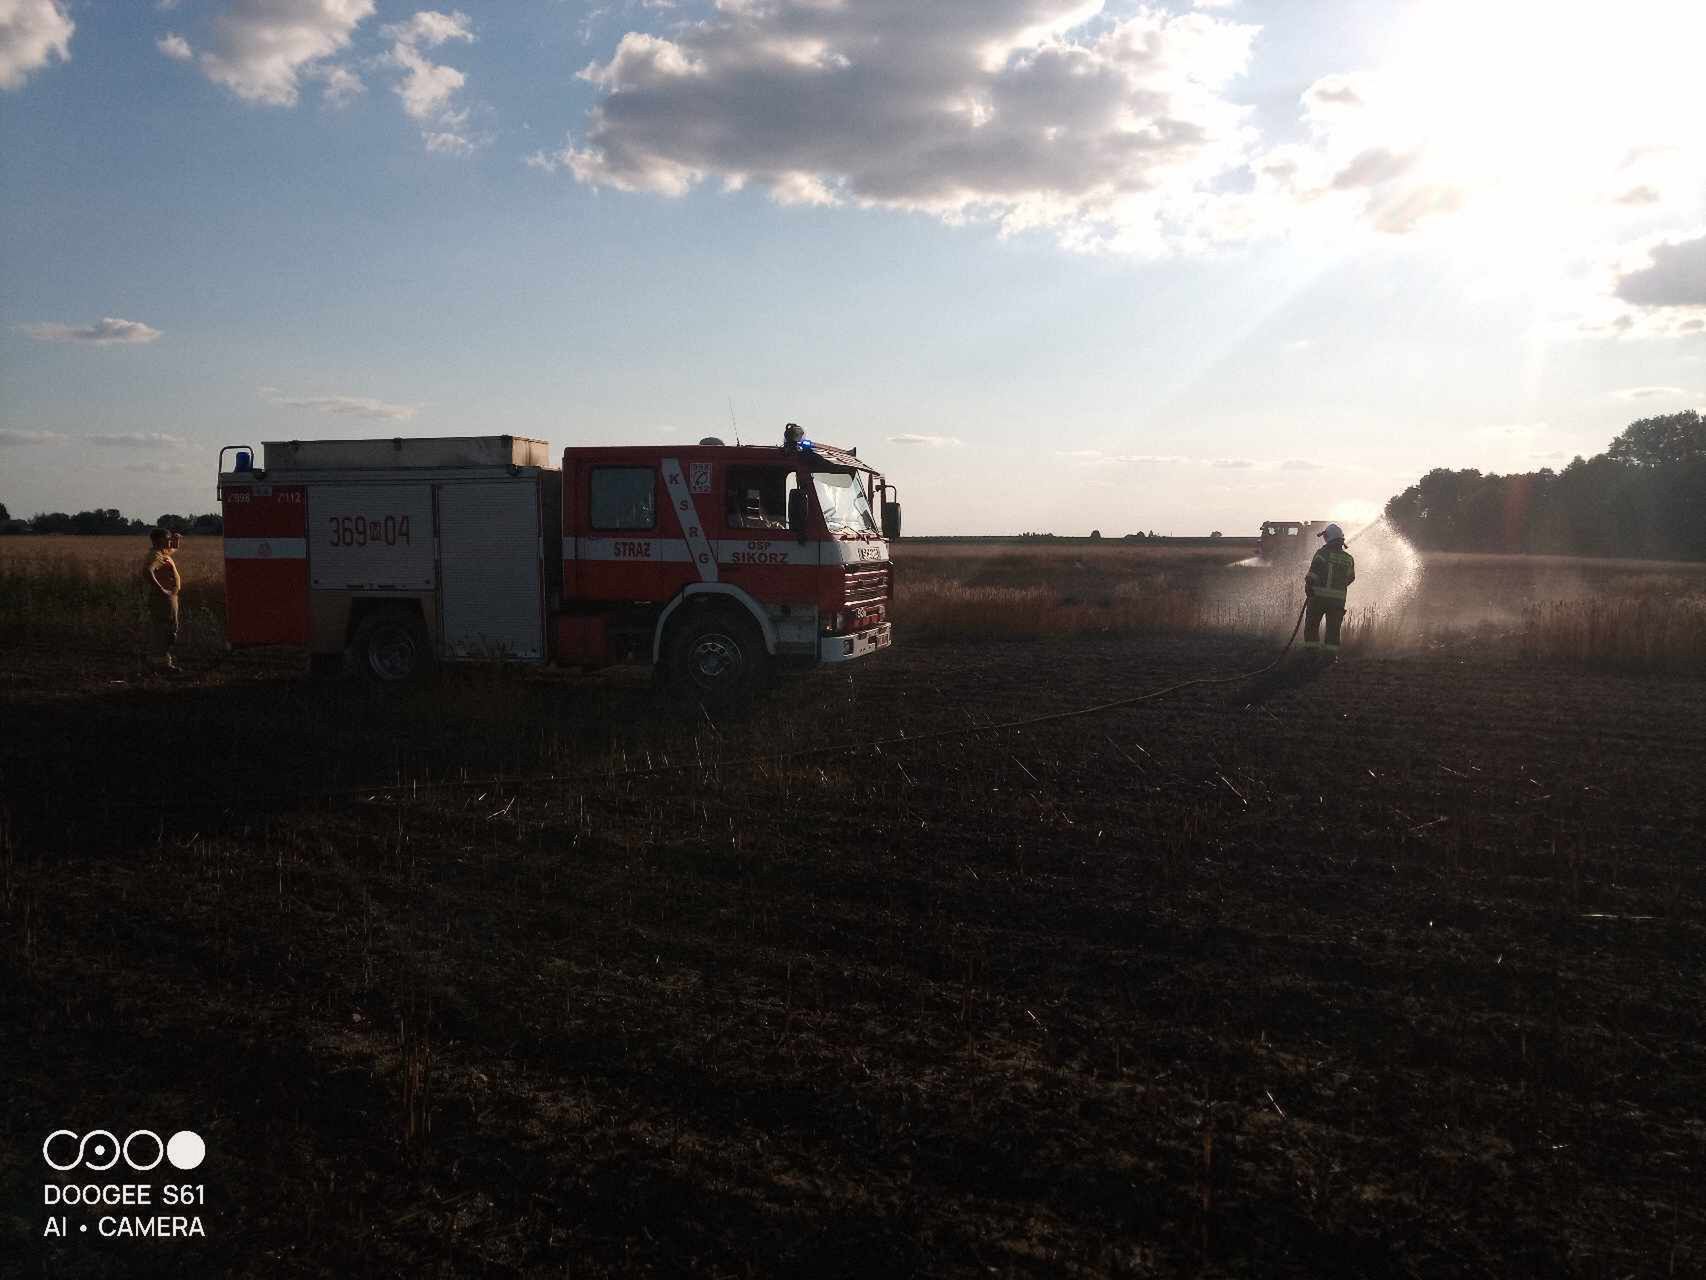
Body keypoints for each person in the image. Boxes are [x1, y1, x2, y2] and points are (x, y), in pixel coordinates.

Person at [1302, 522, 1354, 654]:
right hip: (1338, 601)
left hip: (1318, 598)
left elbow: (1312, 574)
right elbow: (1351, 578)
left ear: (1328, 538)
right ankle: (1330, 657)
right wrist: (1338, 588)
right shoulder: (1348, 559)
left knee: (1312, 626)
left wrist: (1309, 586)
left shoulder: (1322, 554)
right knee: (1333, 630)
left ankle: (1311, 654)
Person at [143, 527, 182, 670]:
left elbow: (173, 549)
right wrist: (161, 589)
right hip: (162, 599)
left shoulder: (163, 552)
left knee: (169, 628)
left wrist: (176, 540)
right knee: (164, 630)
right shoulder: (156, 556)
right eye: (168, 538)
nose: (170, 540)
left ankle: (160, 660)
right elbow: (147, 571)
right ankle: (160, 662)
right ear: (160, 540)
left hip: (168, 598)